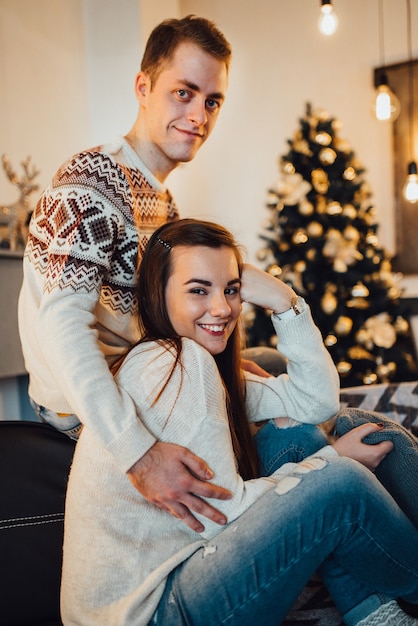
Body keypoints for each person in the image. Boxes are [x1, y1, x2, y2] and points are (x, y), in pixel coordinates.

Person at [61, 219, 418, 625]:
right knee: (343, 482)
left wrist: (286, 302)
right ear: (159, 295)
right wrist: (333, 461)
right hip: (152, 612)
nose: (222, 308)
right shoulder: (174, 364)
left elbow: (316, 402)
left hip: (177, 581)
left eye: (231, 289)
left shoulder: (191, 360)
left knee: (301, 437)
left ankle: (374, 612)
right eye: (199, 290)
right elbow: (223, 516)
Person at [18, 15, 241, 532]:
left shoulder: (164, 205)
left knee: (261, 365)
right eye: (183, 93)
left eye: (212, 101)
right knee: (292, 435)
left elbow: (163, 319)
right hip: (86, 411)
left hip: (147, 379)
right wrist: (139, 456)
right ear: (143, 87)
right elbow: (62, 329)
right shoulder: (88, 186)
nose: (199, 115)